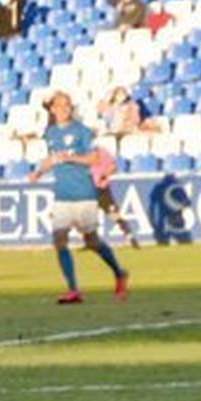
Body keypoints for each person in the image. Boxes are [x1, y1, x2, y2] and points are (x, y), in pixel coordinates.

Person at [27, 92, 129, 304]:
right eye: (60, 106)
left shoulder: (81, 131)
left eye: (67, 105)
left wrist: (70, 157)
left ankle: (119, 273)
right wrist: (38, 172)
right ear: (53, 109)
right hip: (62, 194)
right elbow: (53, 159)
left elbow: (93, 158)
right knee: (59, 240)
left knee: (92, 241)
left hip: (83, 193)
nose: (65, 109)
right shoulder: (51, 133)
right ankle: (73, 290)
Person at [90, 148, 140, 249]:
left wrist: (105, 175)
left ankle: (129, 235)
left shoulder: (103, 153)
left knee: (113, 214)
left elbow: (114, 167)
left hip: (103, 191)